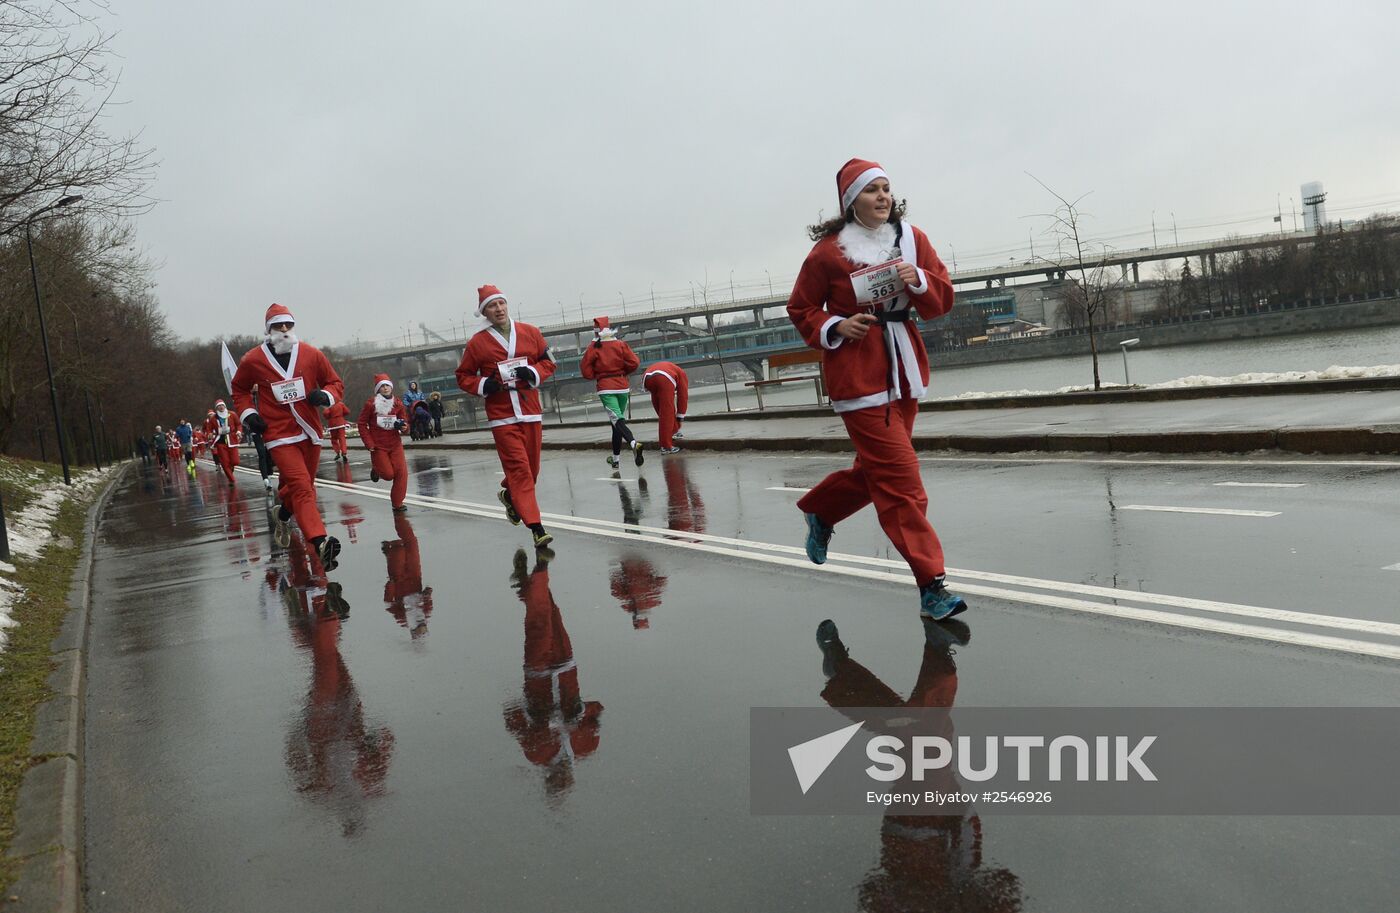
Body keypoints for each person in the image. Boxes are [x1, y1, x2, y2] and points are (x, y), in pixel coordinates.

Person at [786, 158, 967, 622]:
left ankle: (822, 511)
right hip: (858, 376)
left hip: (904, 369)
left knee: (880, 472)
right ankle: (932, 586)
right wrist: (836, 324)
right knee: (903, 481)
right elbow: (801, 307)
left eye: (887, 188)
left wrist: (919, 280)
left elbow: (942, 299)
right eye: (872, 191)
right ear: (851, 202)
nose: (883, 197)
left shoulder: (912, 240)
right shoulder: (828, 253)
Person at [231, 302, 347, 569]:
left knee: (299, 489)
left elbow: (335, 382)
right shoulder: (253, 360)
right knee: (304, 488)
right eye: (277, 325)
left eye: (288, 325)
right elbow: (239, 389)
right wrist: (249, 414)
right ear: (268, 329)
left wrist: (326, 395)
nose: (283, 329)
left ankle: (282, 515)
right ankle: (319, 542)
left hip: (309, 432)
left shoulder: (310, 354)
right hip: (279, 435)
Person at [454, 284, 557, 549]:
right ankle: (536, 528)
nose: (498, 309)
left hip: (530, 410)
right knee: (520, 470)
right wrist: (482, 385)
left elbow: (549, 362)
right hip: (502, 415)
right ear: (484, 312)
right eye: (492, 306)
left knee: (531, 471)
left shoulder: (531, 333)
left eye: (501, 304)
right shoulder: (477, 343)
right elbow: (463, 376)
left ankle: (510, 495)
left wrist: (533, 372)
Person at [580, 316, 643, 468]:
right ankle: (615, 460)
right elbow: (635, 363)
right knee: (616, 423)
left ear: (596, 332)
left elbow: (585, 369)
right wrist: (623, 372)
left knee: (617, 421)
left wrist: (597, 376)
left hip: (606, 387)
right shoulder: (620, 344)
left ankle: (634, 443)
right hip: (622, 386)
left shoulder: (594, 347)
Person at [357, 373, 410, 513]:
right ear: (378, 389)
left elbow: (404, 422)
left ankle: (397, 503)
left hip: (395, 444)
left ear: (391, 387)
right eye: (382, 386)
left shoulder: (398, 403)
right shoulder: (370, 404)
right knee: (388, 475)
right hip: (378, 446)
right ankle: (377, 468)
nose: (385, 388)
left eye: (387, 385)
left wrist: (405, 427)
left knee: (401, 473)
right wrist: (369, 443)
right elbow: (362, 424)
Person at [642, 360, 689, 454]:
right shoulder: (682, 374)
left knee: (662, 408)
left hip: (647, 377)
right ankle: (666, 446)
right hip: (664, 377)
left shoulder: (672, 368)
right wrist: (680, 418)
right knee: (667, 411)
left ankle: (674, 431)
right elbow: (683, 397)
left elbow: (660, 409)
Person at [204, 399, 241, 485]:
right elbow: (209, 429)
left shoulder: (232, 414)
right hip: (220, 440)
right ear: (216, 408)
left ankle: (231, 468)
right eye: (218, 406)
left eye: (222, 405)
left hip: (231, 438)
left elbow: (238, 424)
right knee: (224, 462)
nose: (221, 407)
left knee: (235, 461)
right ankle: (231, 479)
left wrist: (238, 432)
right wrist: (209, 434)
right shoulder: (213, 418)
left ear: (225, 406)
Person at [324, 398, 351, 462]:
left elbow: (326, 413)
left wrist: (329, 417)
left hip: (332, 424)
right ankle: (344, 453)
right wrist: (341, 415)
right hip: (340, 422)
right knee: (342, 438)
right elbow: (347, 411)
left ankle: (337, 452)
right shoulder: (341, 404)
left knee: (334, 439)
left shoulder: (329, 405)